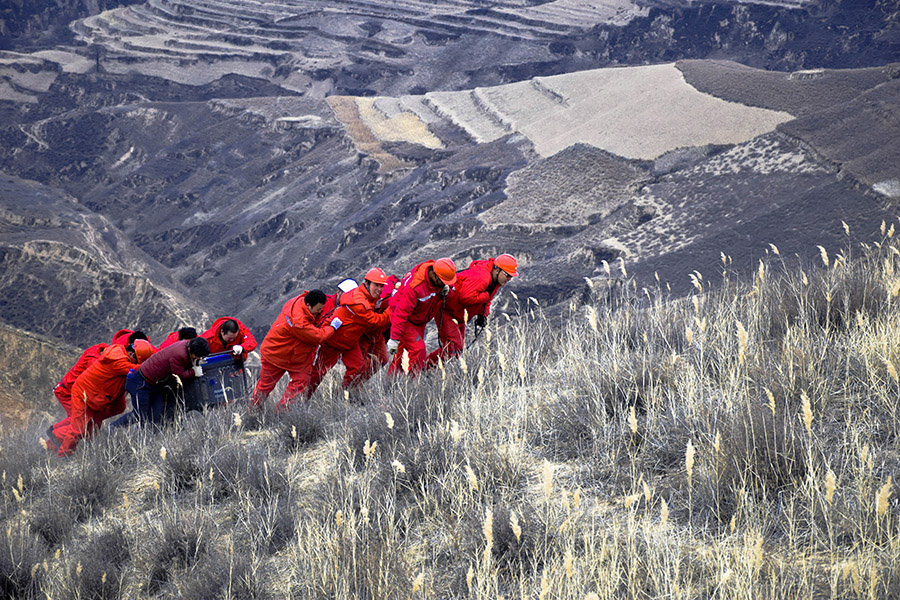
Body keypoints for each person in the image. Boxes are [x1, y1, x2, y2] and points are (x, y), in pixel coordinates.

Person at [49, 340, 154, 456]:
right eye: (139, 361)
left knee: (103, 418)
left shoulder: (121, 354)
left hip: (95, 396)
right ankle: (62, 453)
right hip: (83, 394)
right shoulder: (118, 360)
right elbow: (136, 370)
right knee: (78, 429)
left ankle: (76, 438)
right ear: (131, 355)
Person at [251, 290, 342, 409]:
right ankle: (253, 412)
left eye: (322, 308)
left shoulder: (300, 301)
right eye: (318, 309)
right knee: (265, 386)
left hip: (295, 356)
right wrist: (333, 327)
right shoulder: (299, 322)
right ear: (308, 305)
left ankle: (282, 413)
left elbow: (314, 320)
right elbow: (319, 336)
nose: (321, 311)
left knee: (302, 381)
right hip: (276, 354)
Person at [308, 268, 392, 395]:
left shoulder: (365, 296)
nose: (379, 289)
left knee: (357, 366)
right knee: (319, 372)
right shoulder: (359, 302)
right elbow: (377, 321)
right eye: (376, 285)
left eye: (381, 286)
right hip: (334, 340)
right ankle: (303, 397)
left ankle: (344, 393)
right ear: (366, 283)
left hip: (350, 341)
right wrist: (392, 308)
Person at [427, 254, 518, 366]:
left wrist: (483, 315)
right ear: (497, 270)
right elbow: (465, 297)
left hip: (459, 314)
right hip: (448, 311)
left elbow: (487, 300)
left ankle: (428, 368)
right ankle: (423, 367)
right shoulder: (483, 278)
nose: (509, 279)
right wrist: (485, 295)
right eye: (508, 275)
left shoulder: (495, 280)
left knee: (457, 349)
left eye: (511, 277)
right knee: (453, 347)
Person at [111, 337, 210, 427]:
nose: (198, 358)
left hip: (155, 384)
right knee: (140, 415)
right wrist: (193, 371)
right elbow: (178, 375)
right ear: (193, 351)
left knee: (156, 415)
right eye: (198, 356)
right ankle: (114, 427)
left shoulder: (185, 345)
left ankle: (148, 438)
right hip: (141, 382)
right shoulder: (180, 354)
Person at [387, 257, 457, 375]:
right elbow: (401, 312)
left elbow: (449, 293)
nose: (445, 284)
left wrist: (447, 291)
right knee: (418, 349)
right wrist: (394, 338)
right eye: (443, 282)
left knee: (401, 355)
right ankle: (412, 383)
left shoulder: (437, 278)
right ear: (434, 276)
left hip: (419, 320)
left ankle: (390, 384)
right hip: (405, 319)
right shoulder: (415, 286)